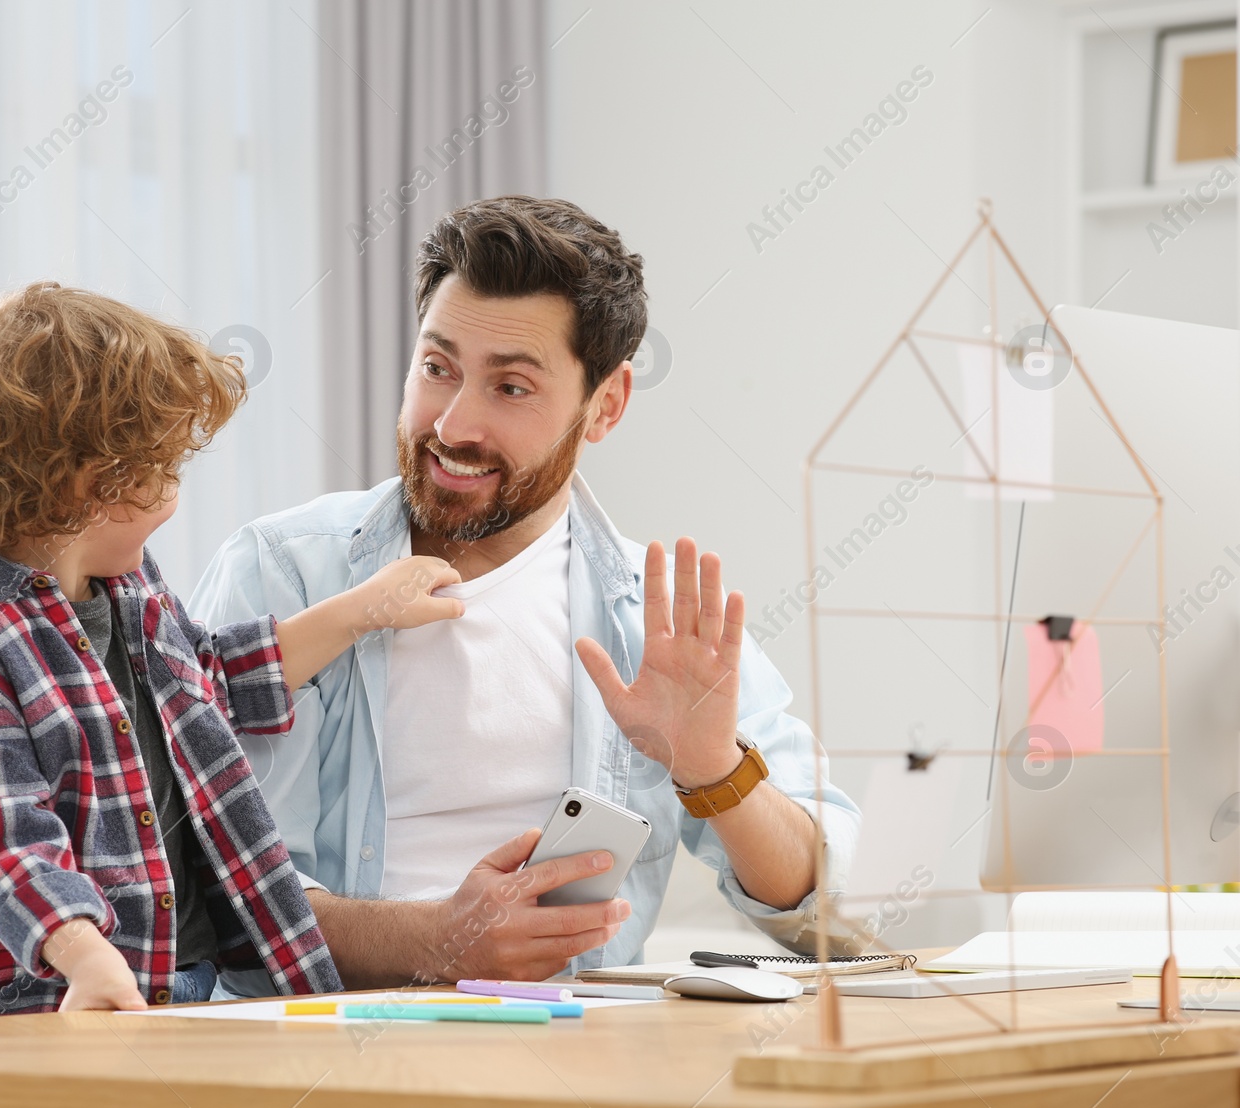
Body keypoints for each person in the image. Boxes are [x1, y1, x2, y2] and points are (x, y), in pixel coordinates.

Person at [189, 196, 861, 993]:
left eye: (511, 387)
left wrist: (713, 768)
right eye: (438, 369)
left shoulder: (654, 613)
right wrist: (438, 940)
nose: (453, 424)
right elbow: (211, 894)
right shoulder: (285, 574)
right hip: (328, 1057)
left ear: (605, 404)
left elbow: (812, 904)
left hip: (578, 1062)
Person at [0, 282, 462, 1019]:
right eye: (164, 471)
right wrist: (88, 960)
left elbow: (207, 682)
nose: (174, 494)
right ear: (89, 485)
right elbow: (0, 835)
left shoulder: (125, 586)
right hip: (34, 1003)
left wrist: (359, 612)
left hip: (175, 983)